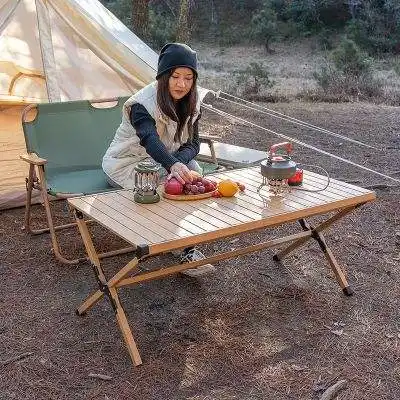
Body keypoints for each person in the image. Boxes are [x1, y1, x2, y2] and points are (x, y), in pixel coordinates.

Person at [102, 42, 214, 276]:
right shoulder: (141, 104)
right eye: (175, 76)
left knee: (192, 169)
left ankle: (184, 244)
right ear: (164, 76)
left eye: (188, 77)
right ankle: (175, 244)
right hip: (128, 164)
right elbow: (149, 140)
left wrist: (179, 163)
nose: (181, 84)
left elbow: (193, 144)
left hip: (164, 162)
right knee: (166, 184)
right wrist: (173, 164)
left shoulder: (193, 103)